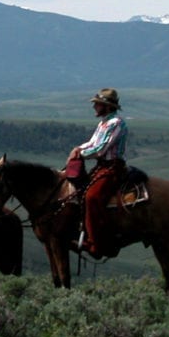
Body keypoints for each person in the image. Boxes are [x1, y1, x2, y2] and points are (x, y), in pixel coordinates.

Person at [66, 88, 128, 258]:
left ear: (106, 106)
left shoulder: (116, 123)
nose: (94, 107)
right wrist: (78, 149)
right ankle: (83, 232)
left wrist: (81, 154)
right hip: (102, 166)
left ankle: (97, 244)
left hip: (112, 167)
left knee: (92, 197)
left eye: (97, 104)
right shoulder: (103, 123)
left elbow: (101, 148)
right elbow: (92, 142)